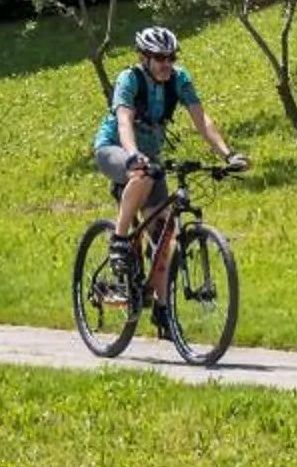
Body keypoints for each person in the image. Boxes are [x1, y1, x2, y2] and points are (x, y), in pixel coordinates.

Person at [93, 27, 246, 319]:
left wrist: (228, 154)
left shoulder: (179, 79)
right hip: (114, 148)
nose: (166, 63)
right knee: (142, 175)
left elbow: (202, 120)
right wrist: (132, 155)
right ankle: (120, 239)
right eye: (159, 57)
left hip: (150, 157)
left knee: (164, 231)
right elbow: (124, 121)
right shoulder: (130, 79)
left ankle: (162, 309)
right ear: (144, 57)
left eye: (171, 57)